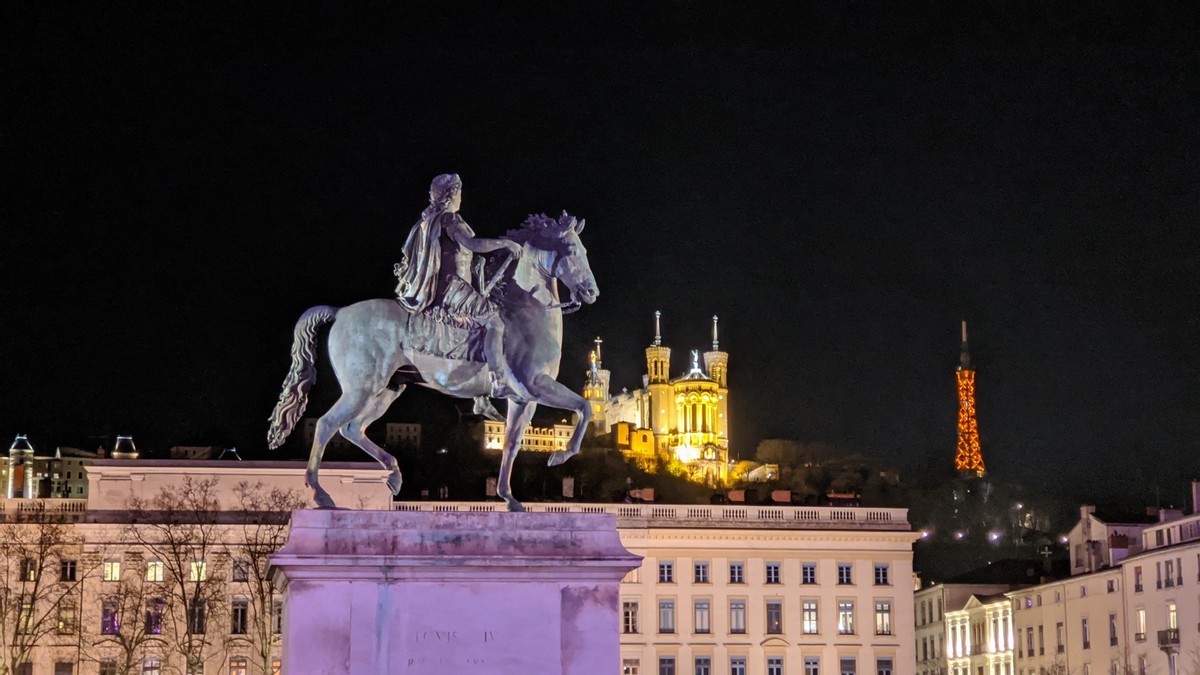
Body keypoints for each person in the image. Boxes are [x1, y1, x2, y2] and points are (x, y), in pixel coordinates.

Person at [393, 174, 528, 417]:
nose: (461, 196)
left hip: (447, 285)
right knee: (494, 321)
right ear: (453, 193)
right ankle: (498, 381)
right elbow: (473, 244)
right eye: (460, 191)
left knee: (477, 330)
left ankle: (480, 396)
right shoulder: (449, 218)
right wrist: (505, 243)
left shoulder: (430, 219)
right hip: (452, 287)